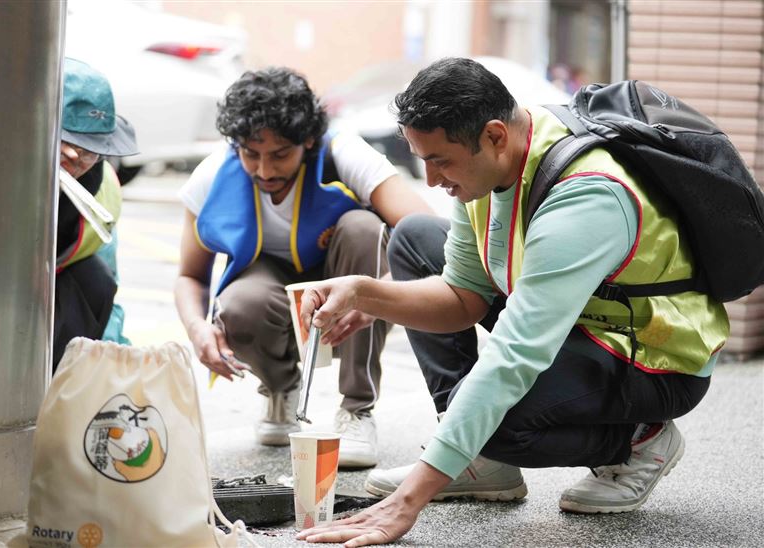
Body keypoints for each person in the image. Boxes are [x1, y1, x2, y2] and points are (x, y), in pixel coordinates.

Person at [296, 57, 728, 546]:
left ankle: (639, 442)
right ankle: (478, 459)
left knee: (494, 418)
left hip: (654, 357)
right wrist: (365, 293)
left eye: (440, 160)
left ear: (495, 135)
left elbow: (515, 355)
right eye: (422, 160)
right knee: (415, 237)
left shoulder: (586, 195)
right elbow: (462, 297)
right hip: (575, 323)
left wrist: (406, 503)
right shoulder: (490, 168)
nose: (431, 180)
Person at [174, 67, 432, 467]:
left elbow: (426, 232)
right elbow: (190, 276)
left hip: (345, 278)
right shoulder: (211, 176)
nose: (264, 171)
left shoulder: (344, 152)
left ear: (308, 140)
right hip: (269, 286)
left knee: (363, 228)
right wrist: (197, 329)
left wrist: (379, 294)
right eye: (250, 154)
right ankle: (280, 389)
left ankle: (357, 409)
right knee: (238, 303)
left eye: (280, 155)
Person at [54, 58, 138, 369]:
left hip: (56, 289)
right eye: (66, 141)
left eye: (91, 150)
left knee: (96, 279)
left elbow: (109, 279)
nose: (77, 157)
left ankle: (53, 390)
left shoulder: (102, 191)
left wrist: (117, 359)